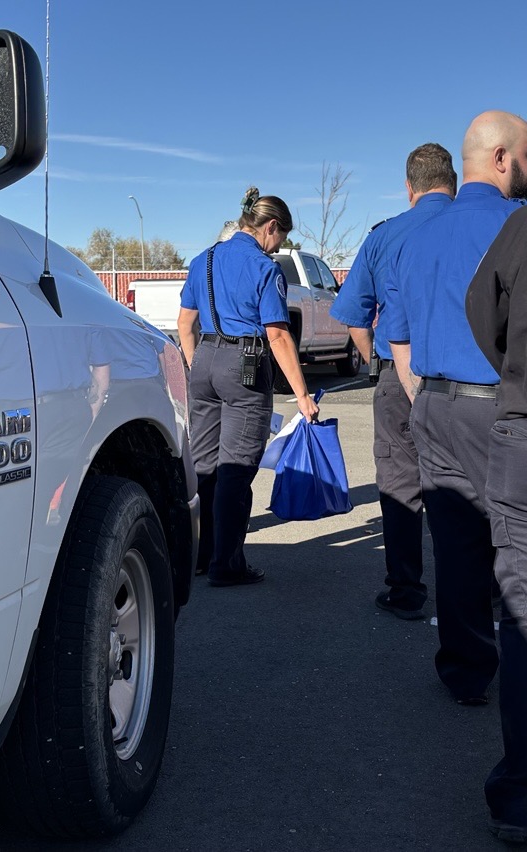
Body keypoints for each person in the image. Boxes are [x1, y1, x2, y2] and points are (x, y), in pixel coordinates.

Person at [385, 110, 527, 706]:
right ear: (500, 158)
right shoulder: (515, 225)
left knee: (456, 543)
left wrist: (422, 398)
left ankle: (467, 671)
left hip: (433, 406)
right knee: (513, 551)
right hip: (498, 409)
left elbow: (396, 333)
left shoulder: (412, 238)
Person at [329, 143, 457, 620]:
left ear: (409, 188)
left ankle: (406, 591)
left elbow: (355, 317)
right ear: (453, 180)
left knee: (401, 483)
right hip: (469, 381)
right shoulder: (479, 225)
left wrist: (375, 364)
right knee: (469, 487)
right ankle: (481, 590)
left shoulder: (385, 237)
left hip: (395, 375)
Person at [178, 187, 319, 587]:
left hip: (203, 361)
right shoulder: (264, 269)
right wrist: (304, 396)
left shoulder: (202, 260)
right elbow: (277, 336)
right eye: (282, 239)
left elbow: (185, 323)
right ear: (270, 227)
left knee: (205, 467)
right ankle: (228, 564)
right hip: (245, 365)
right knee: (236, 471)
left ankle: (199, 558)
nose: (279, 247)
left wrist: (197, 367)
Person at [466, 205, 527, 843]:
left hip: (522, 426)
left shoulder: (521, 228)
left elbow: (483, 311)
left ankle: (520, 798)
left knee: (521, 607)